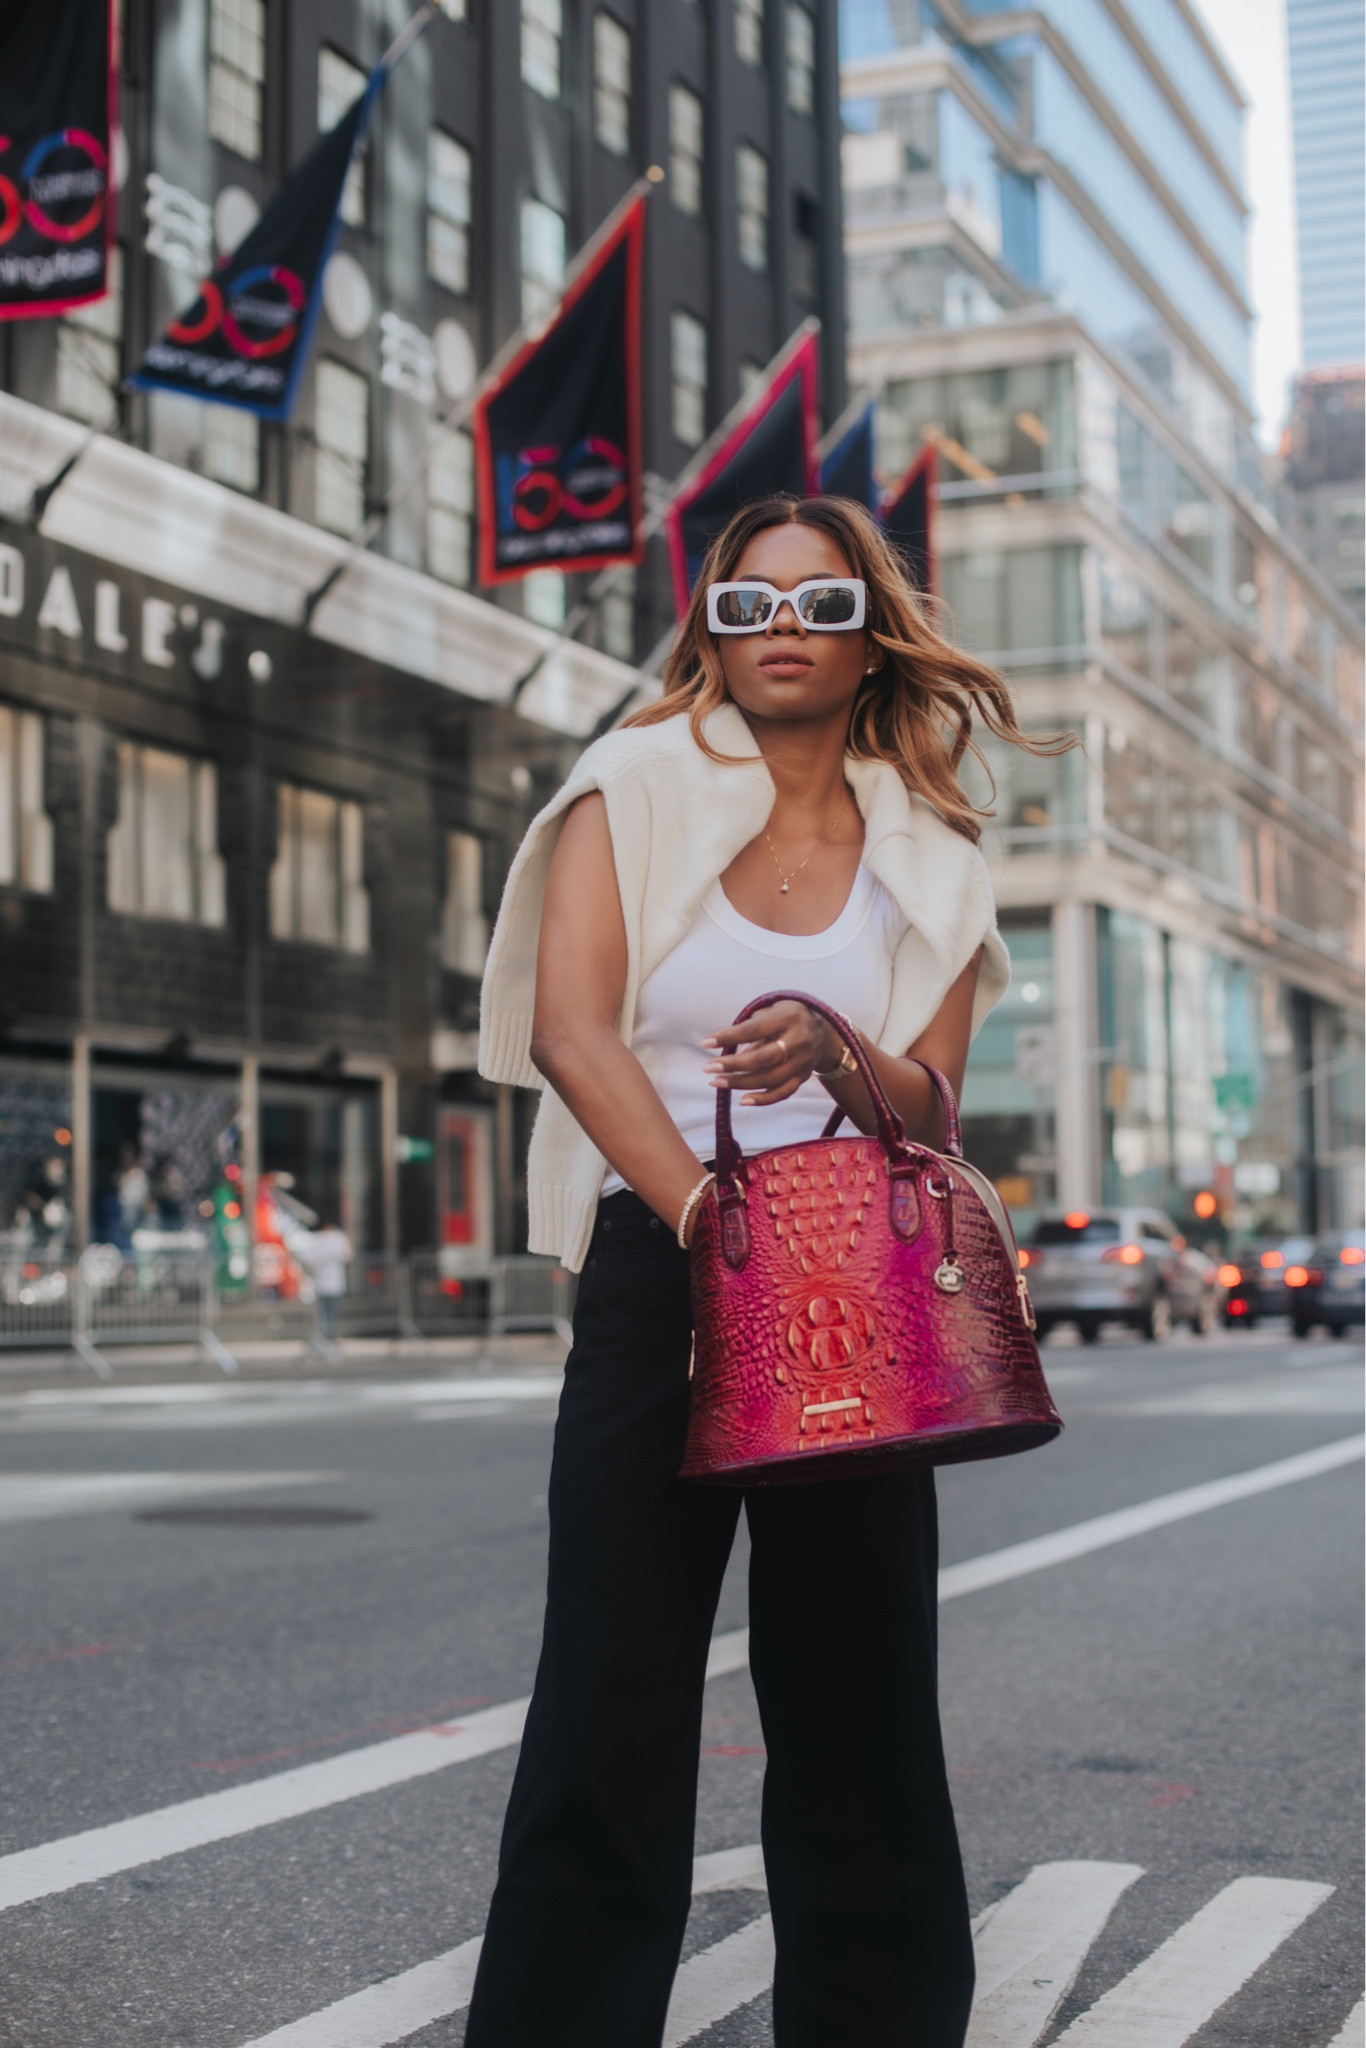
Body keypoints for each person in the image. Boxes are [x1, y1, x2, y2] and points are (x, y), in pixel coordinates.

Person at [467, 495, 1068, 2049]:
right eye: (745, 608)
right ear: (709, 633)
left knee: (859, 1697)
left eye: (812, 604)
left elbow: (932, 1101)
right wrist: (700, 1233)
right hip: (668, 1270)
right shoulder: (634, 782)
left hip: (854, 1288)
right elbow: (567, 1028)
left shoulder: (928, 840)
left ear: (870, 630)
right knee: (611, 1689)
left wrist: (837, 1046)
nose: (779, 630)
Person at [293, 1213, 352, 1343]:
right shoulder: (337, 1238)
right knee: (331, 1310)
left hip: (323, 1282)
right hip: (332, 1283)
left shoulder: (320, 1240)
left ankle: (327, 1334)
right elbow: (347, 1255)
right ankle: (329, 1334)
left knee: (325, 1311)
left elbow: (308, 1259)